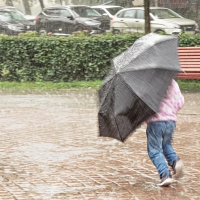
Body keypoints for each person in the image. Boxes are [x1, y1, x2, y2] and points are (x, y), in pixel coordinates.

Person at [146, 79, 184, 186]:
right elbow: (180, 102)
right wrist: (171, 110)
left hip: (155, 122)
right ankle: (175, 162)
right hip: (171, 121)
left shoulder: (149, 83)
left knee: (154, 150)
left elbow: (145, 104)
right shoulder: (173, 82)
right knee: (166, 145)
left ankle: (165, 174)